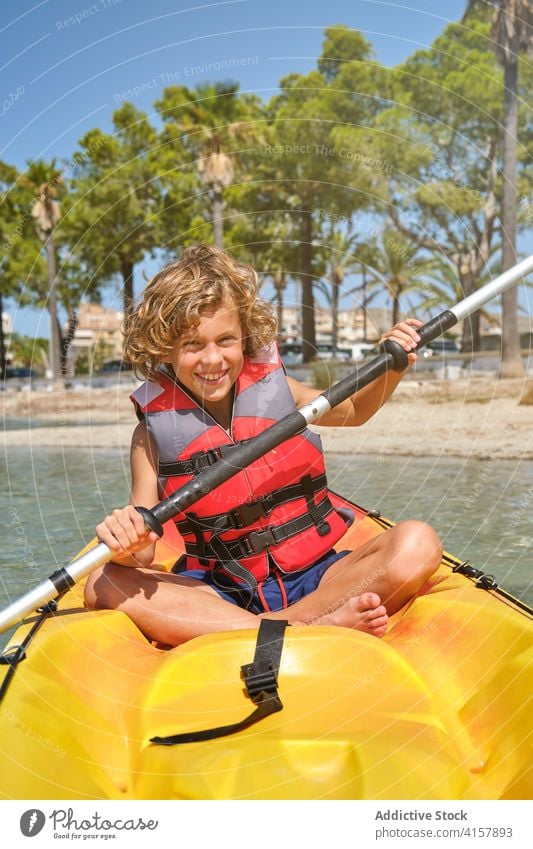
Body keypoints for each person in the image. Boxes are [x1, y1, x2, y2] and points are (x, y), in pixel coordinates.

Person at [85, 245, 442, 646]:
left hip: (320, 576)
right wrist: (128, 543)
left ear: (244, 337)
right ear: (164, 348)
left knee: (416, 542)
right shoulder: (149, 435)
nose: (213, 359)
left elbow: (355, 409)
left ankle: (274, 628)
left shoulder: (278, 391)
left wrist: (392, 367)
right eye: (192, 345)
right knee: (104, 581)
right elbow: (143, 556)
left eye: (225, 340)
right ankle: (305, 627)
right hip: (223, 591)